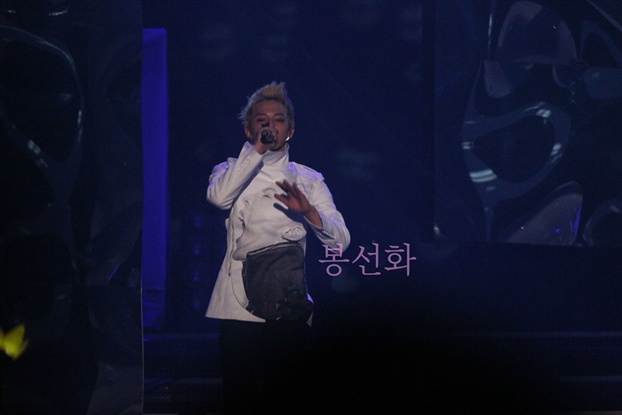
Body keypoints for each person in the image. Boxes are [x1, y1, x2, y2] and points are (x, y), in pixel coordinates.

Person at [205, 81, 350, 413]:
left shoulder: (308, 179)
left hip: (288, 303)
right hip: (238, 304)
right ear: (249, 130)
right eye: (262, 120)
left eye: (278, 119)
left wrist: (309, 212)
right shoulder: (228, 170)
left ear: (290, 130)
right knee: (239, 396)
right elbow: (219, 198)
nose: (270, 125)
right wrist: (256, 150)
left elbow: (341, 240)